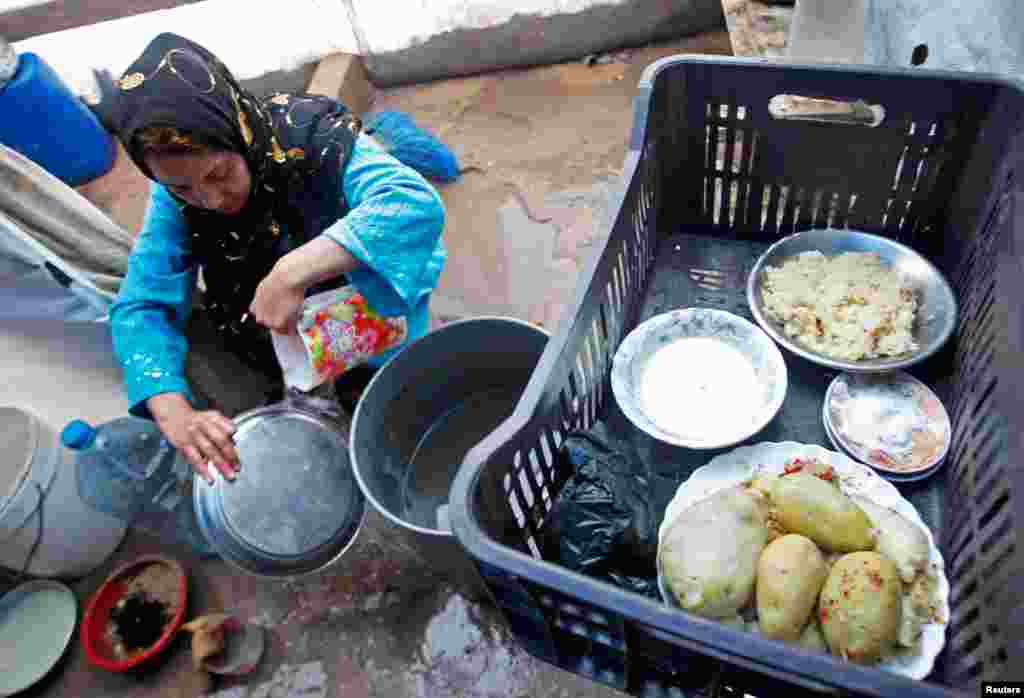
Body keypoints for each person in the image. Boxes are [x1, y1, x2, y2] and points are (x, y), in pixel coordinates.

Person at [105, 34, 447, 484]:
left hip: (368, 307)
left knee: (403, 394)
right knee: (289, 385)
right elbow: (140, 305)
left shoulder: (313, 139)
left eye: (219, 173)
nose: (209, 199)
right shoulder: (176, 196)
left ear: (237, 130)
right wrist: (173, 412)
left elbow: (411, 205)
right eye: (183, 187)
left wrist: (291, 273)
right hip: (278, 325)